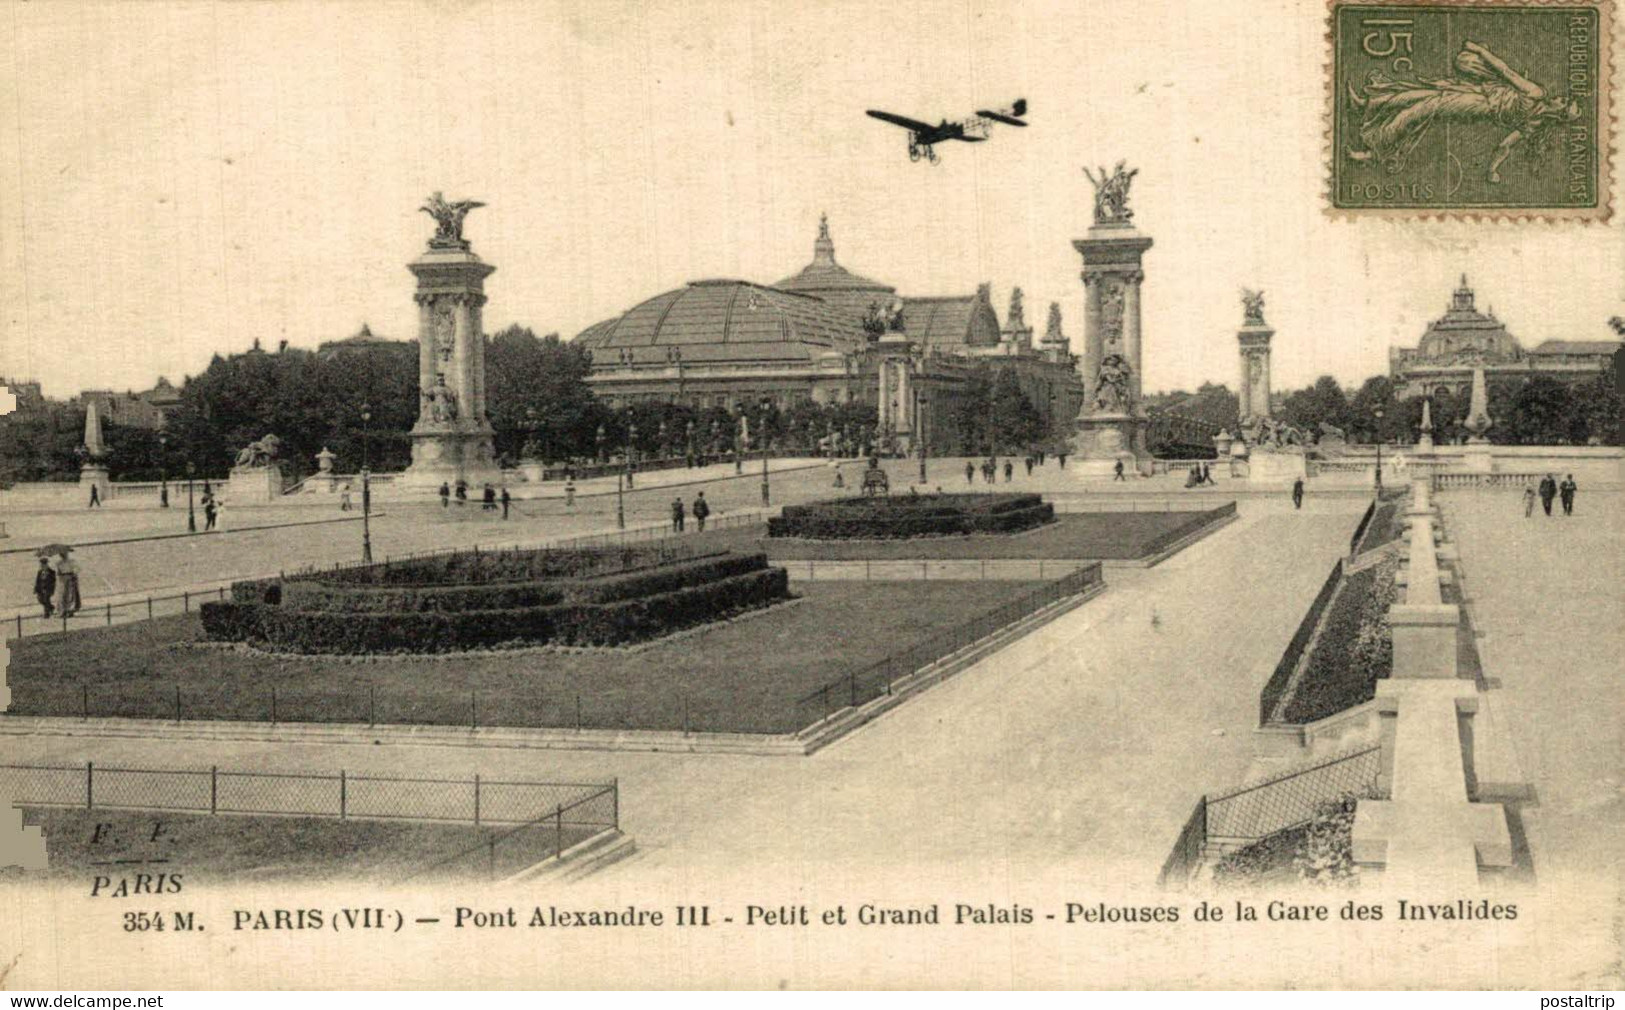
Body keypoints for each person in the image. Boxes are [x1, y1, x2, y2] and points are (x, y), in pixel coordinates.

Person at [55, 550, 81, 618]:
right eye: (62, 554)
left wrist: (74, 573)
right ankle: (62, 611)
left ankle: (70, 611)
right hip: (62, 579)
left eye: (65, 553)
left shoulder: (72, 561)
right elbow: (58, 572)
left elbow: (78, 569)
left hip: (71, 578)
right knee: (62, 595)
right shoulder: (59, 563)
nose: (63, 555)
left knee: (71, 595)